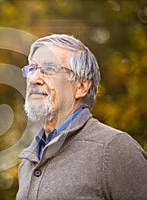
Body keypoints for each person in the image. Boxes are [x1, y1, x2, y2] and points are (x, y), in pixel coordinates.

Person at [16, 34, 147, 200]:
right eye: (32, 69)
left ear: (81, 86)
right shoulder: (28, 162)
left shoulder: (114, 149)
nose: (34, 78)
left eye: (48, 69)